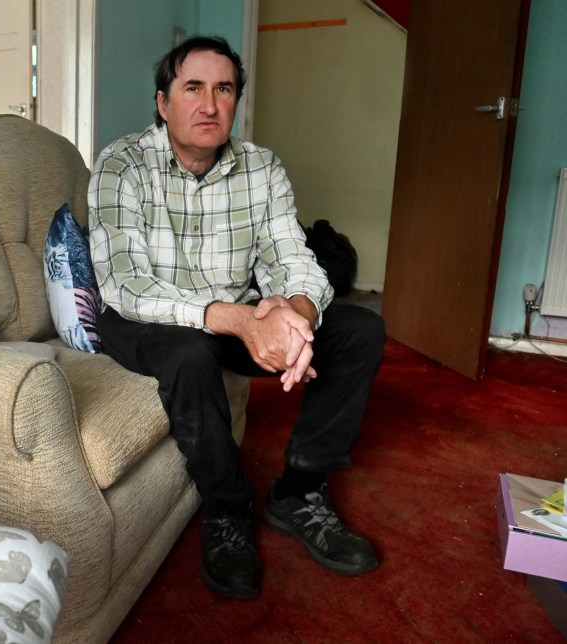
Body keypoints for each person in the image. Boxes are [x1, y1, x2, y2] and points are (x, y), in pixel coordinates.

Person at [87, 35, 385, 599]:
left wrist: (293, 314)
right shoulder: (121, 163)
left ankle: (298, 491)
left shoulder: (262, 167)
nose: (208, 104)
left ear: (236, 101)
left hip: (237, 311)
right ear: (162, 101)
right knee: (190, 349)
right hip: (144, 316)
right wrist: (241, 321)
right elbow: (126, 284)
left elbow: (291, 257)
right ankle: (226, 508)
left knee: (359, 331)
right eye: (192, 88)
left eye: (223, 89)